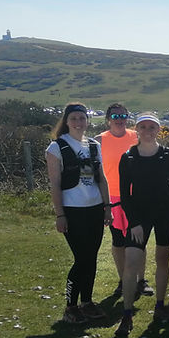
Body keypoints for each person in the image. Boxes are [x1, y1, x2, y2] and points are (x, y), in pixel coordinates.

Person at [114, 113, 169, 337]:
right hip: (139, 216)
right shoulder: (128, 157)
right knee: (131, 262)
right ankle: (126, 314)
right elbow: (125, 194)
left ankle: (160, 306)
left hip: (165, 213)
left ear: (158, 130)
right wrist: (133, 222)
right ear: (137, 130)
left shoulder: (168, 155)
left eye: (152, 127)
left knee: (162, 259)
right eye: (143, 127)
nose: (147, 131)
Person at [46, 103, 112, 323]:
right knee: (81, 259)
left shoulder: (94, 146)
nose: (78, 122)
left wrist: (107, 207)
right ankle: (70, 306)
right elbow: (55, 184)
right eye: (74, 118)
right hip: (72, 211)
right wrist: (60, 215)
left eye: (82, 118)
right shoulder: (56, 148)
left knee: (91, 258)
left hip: (94, 209)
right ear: (66, 121)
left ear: (87, 121)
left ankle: (87, 302)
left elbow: (101, 178)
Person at [97, 104, 152, 300]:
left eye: (123, 115)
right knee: (118, 241)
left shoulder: (136, 137)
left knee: (139, 240)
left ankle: (141, 280)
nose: (119, 119)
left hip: (136, 197)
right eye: (115, 116)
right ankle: (123, 281)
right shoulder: (99, 141)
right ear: (108, 119)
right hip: (112, 199)